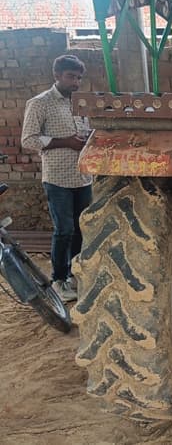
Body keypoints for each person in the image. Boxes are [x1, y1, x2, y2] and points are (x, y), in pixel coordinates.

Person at [21, 55, 92, 302]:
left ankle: (76, 275)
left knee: (82, 229)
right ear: (57, 75)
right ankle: (59, 280)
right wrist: (66, 142)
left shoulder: (80, 102)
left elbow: (84, 132)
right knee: (64, 230)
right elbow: (28, 139)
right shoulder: (40, 103)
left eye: (79, 77)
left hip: (82, 177)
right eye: (71, 77)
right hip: (58, 178)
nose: (76, 82)